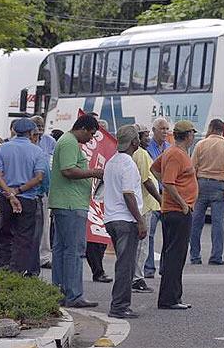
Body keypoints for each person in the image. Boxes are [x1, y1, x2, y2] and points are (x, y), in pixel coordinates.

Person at [49, 114, 103, 308]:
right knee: (74, 250)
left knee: (62, 249)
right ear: (82, 128)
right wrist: (93, 172)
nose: (91, 138)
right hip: (70, 204)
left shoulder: (67, 141)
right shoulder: (70, 142)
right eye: (91, 133)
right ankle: (73, 295)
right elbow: (68, 170)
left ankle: (60, 291)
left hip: (66, 203)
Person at [151, 120, 198, 310]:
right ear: (187, 136)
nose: (193, 137)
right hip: (178, 211)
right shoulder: (176, 154)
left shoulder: (172, 152)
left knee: (176, 254)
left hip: (176, 209)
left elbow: (154, 169)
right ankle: (169, 298)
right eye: (192, 134)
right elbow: (169, 183)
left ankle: (174, 296)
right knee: (175, 256)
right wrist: (182, 203)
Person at [104, 125, 148, 319]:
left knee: (123, 263)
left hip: (112, 219)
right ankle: (120, 306)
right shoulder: (128, 164)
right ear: (134, 143)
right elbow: (128, 195)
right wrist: (140, 220)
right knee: (125, 266)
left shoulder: (111, 162)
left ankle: (119, 304)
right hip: (125, 219)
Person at [0, 118, 48, 274]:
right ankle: (17, 274)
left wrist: (10, 194)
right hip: (28, 198)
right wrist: (18, 191)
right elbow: (39, 178)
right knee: (23, 239)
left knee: (4, 235)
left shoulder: (3, 148)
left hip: (5, 198)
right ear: (31, 133)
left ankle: (1, 271)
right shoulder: (37, 151)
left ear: (14, 131)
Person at [189, 119, 224, 266]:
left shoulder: (200, 144)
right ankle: (216, 257)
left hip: (201, 185)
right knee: (218, 223)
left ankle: (195, 257)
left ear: (211, 128)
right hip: (219, 186)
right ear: (222, 130)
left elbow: (192, 169)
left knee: (196, 223)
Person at [131, 123, 161, 294]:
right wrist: (160, 198)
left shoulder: (135, 153)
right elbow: (146, 180)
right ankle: (137, 278)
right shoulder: (141, 154)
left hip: (140, 204)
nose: (148, 138)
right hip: (145, 205)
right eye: (145, 135)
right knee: (142, 246)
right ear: (138, 138)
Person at [85, 112, 112, 283]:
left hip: (104, 198)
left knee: (101, 236)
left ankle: (99, 268)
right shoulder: (85, 149)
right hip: (90, 196)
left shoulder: (110, 150)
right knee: (94, 237)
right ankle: (98, 270)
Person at [144, 117, 171, 278]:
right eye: (162, 129)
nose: (165, 132)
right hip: (153, 195)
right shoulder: (148, 149)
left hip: (167, 195)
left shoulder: (169, 148)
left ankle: (165, 268)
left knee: (169, 234)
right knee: (150, 234)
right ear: (153, 130)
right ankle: (148, 269)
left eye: (166, 129)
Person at [31, 116, 56, 269]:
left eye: (41, 124)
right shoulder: (27, 141)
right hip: (28, 189)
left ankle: (44, 257)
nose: (39, 127)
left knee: (45, 224)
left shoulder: (50, 141)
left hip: (45, 188)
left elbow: (52, 164)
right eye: (36, 124)